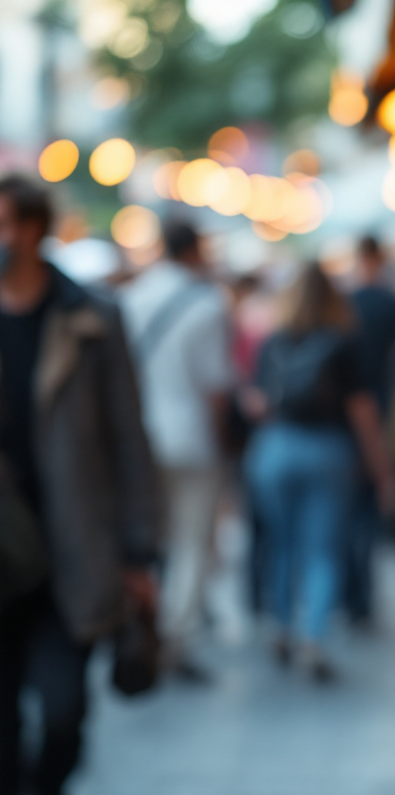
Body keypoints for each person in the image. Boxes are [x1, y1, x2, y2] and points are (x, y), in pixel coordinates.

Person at [0, 175, 161, 795]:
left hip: (75, 544)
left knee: (64, 705)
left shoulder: (91, 316)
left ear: (37, 229)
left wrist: (138, 552)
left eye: (7, 223)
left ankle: (50, 787)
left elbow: (129, 438)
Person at [245, 264, 395, 681]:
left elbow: (256, 401)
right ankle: (313, 636)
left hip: (276, 447)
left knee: (281, 542)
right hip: (328, 450)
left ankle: (280, 624)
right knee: (323, 549)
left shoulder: (272, 341)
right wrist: (382, 469)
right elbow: (362, 411)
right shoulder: (344, 342)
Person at [119, 221, 235, 681]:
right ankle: (173, 636)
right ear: (195, 249)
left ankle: (146, 626)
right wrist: (224, 443)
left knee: (153, 539)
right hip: (192, 438)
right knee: (192, 543)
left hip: (142, 436)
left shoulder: (131, 296)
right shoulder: (206, 304)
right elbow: (216, 388)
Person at [345, 235, 395, 623]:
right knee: (372, 505)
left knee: (352, 510)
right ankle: (362, 594)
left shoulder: (346, 303)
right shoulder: (391, 304)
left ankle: (352, 592)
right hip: (384, 412)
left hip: (347, 420)